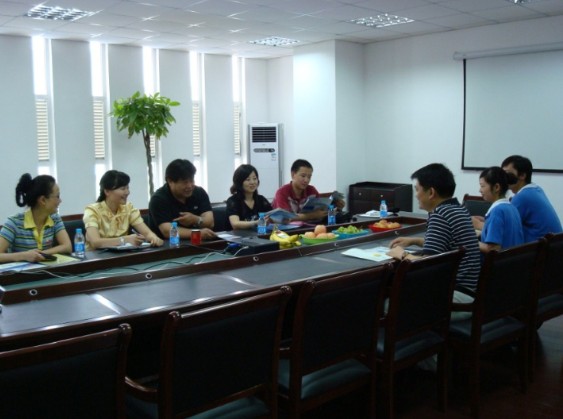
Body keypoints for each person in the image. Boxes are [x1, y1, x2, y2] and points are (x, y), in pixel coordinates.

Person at [387, 163, 481, 313]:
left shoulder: (440, 215)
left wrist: (402, 254)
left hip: (456, 298)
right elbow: (447, 245)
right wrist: (414, 240)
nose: (416, 195)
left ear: (431, 192)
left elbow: (429, 265)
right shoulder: (458, 209)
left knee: (384, 302)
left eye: (417, 189)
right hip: (468, 292)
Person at [83, 170, 163, 250]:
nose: (127, 192)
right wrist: (125, 240)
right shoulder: (92, 210)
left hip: (121, 255)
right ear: (107, 191)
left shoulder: (128, 208)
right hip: (97, 256)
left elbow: (147, 233)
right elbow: (95, 242)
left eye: (127, 188)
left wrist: (154, 238)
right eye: (123, 188)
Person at [0, 174, 72, 263]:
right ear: (43, 200)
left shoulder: (55, 219)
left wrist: (39, 255)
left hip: (46, 269)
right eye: (57, 196)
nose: (60, 201)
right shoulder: (14, 223)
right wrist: (24, 256)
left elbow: (67, 246)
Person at [148, 159, 215, 241]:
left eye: (192, 181)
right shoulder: (158, 199)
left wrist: (195, 219)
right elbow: (167, 231)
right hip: (168, 245)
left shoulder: (199, 192)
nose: (190, 186)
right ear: (170, 181)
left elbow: (210, 223)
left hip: (199, 242)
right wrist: (197, 233)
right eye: (185, 182)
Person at [501, 155, 562, 243]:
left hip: (541, 249)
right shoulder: (536, 189)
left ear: (522, 175)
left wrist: (480, 224)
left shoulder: (522, 197)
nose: (503, 179)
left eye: (507, 174)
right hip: (555, 245)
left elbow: (503, 228)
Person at [272, 159, 345, 222]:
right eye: (303, 176)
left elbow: (321, 212)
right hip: (285, 231)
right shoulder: (282, 192)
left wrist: (336, 208)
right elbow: (285, 218)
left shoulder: (311, 190)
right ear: (293, 174)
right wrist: (311, 215)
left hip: (309, 228)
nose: (306, 180)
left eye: (309, 177)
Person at [472, 167, 524, 253]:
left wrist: (470, 241)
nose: (480, 190)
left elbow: (493, 249)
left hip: (500, 260)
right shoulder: (512, 207)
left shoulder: (497, 211)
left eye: (482, 186)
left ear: (496, 187)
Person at [226, 164, 272, 230]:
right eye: (248, 179)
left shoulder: (261, 200)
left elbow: (272, 217)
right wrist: (257, 223)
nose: (252, 182)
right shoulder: (233, 201)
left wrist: (281, 219)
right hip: (239, 235)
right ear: (239, 182)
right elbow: (235, 224)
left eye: (254, 178)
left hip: (258, 234)